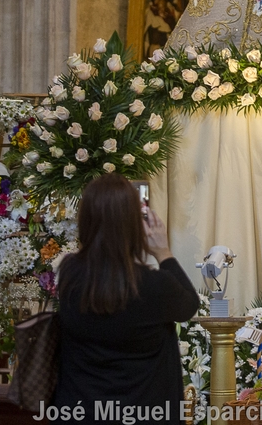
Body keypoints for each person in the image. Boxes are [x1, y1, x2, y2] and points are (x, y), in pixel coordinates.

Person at [52, 174, 199, 424]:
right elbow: (189, 305)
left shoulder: (70, 275)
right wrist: (163, 252)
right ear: (134, 224)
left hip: (80, 412)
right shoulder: (154, 286)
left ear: (86, 220)